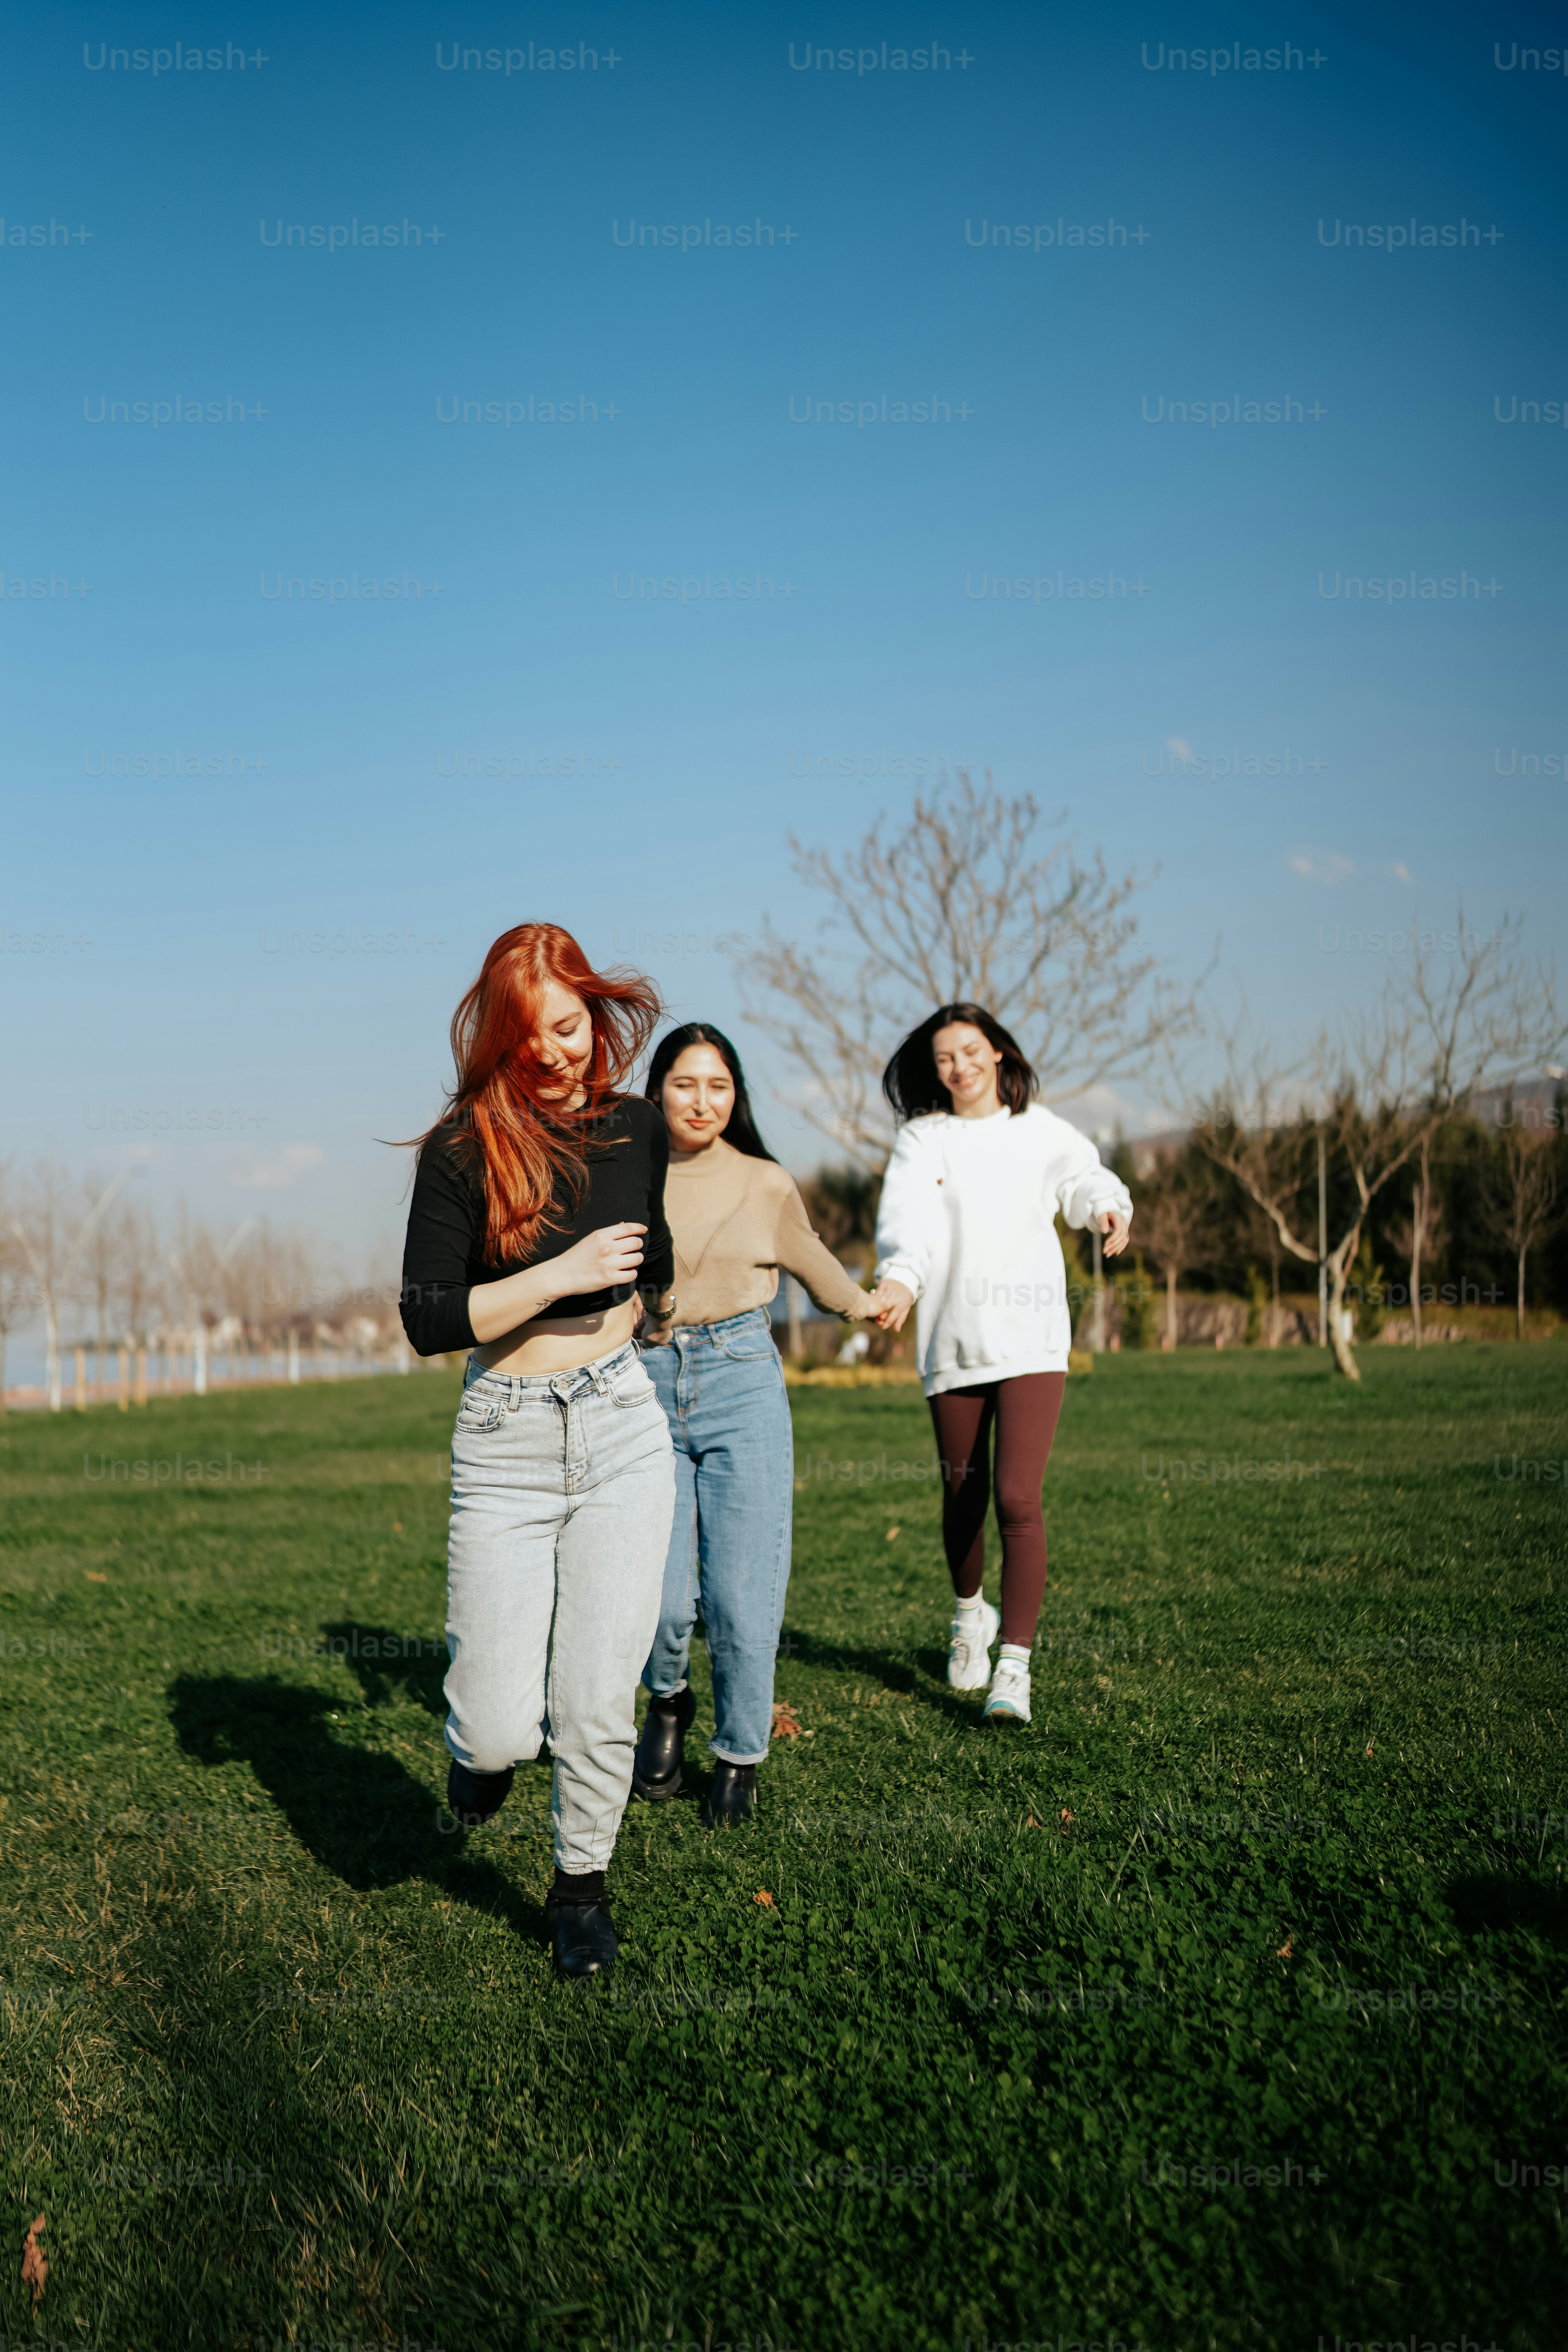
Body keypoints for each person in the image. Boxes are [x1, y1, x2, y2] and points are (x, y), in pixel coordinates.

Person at [398, 922, 677, 1979]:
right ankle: (478, 1762)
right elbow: (428, 1318)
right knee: (497, 1728)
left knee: (600, 1689)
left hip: (620, 1425)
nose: (556, 1052)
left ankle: (581, 1888)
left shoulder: (638, 1126)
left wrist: (653, 1311)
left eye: (569, 1026)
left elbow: (648, 1249)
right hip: (506, 1440)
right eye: (530, 1040)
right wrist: (561, 1276)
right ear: (496, 1045)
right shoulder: (463, 1148)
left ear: (594, 1014)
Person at [632, 1023, 886, 1824]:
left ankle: (739, 1755)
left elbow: (814, 1264)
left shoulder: (765, 1182)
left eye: (718, 1086)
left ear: (734, 1096)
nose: (701, 1101)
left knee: (741, 1596)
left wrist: (868, 1303)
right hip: (643, 1382)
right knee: (660, 1601)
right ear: (657, 1090)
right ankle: (667, 1701)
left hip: (742, 1379)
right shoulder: (625, 1177)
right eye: (684, 1084)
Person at [871, 1003, 1132, 1724]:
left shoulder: (1038, 1130)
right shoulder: (923, 1140)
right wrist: (898, 1279)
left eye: (971, 1050)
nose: (959, 1066)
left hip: (1031, 1340)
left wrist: (1106, 1207)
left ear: (998, 1055)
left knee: (1017, 1498)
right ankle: (968, 1620)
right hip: (952, 1339)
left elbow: (1083, 1179)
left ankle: (1012, 1668)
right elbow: (908, 1226)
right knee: (963, 1496)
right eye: (945, 1058)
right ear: (934, 1070)